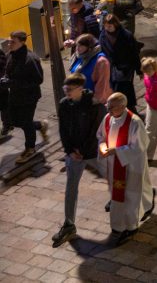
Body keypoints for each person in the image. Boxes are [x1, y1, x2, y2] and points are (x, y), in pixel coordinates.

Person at [97, 91, 154, 245]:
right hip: (114, 165)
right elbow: (101, 136)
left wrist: (117, 151)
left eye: (112, 108)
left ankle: (131, 226)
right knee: (117, 196)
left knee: (131, 196)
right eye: (108, 107)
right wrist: (103, 146)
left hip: (131, 166)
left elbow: (140, 146)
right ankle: (117, 226)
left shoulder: (135, 122)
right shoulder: (108, 118)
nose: (108, 111)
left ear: (123, 106)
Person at [52, 73, 102, 246]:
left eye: (69, 89)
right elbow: (63, 130)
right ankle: (69, 224)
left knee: (113, 176)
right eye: (65, 89)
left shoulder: (94, 105)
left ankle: (130, 204)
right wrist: (70, 150)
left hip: (92, 153)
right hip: (73, 154)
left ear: (80, 89)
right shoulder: (64, 104)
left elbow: (96, 133)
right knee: (71, 187)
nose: (66, 92)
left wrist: (83, 151)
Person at [1, 31, 48, 164]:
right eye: (9, 41)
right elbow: (8, 71)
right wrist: (6, 79)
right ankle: (40, 125)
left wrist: (12, 83)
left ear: (22, 42)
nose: (9, 44)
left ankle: (30, 148)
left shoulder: (30, 59)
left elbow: (38, 80)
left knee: (26, 122)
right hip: (15, 94)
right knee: (15, 121)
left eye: (13, 42)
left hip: (29, 97)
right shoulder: (11, 54)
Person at [98, 15, 143, 115]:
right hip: (112, 68)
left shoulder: (126, 35)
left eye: (109, 26)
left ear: (115, 25)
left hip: (125, 68)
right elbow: (102, 51)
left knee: (125, 88)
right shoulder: (103, 36)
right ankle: (122, 110)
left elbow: (134, 54)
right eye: (106, 26)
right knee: (115, 88)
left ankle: (129, 110)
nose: (107, 28)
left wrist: (139, 70)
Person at [67, 33, 111, 109]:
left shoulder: (101, 61)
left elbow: (102, 84)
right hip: (78, 99)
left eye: (81, 46)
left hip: (92, 103)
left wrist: (93, 101)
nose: (77, 48)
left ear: (89, 47)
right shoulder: (78, 56)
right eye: (77, 45)